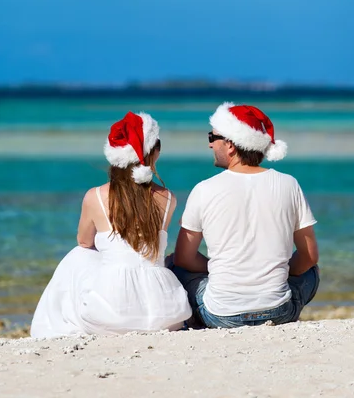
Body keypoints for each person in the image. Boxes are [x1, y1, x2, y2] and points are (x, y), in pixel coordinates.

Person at [31, 111, 191, 338]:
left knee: (78, 255)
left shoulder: (95, 196)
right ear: (155, 153)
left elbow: (84, 241)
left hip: (111, 315)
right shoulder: (168, 198)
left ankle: (48, 326)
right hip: (165, 313)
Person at [169, 102, 319, 328]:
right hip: (279, 311)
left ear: (230, 145)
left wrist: (223, 268)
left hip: (221, 315)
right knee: (312, 271)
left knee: (174, 264)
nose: (210, 145)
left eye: (213, 137)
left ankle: (194, 318)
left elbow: (184, 258)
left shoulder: (204, 189)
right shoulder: (289, 184)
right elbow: (308, 256)